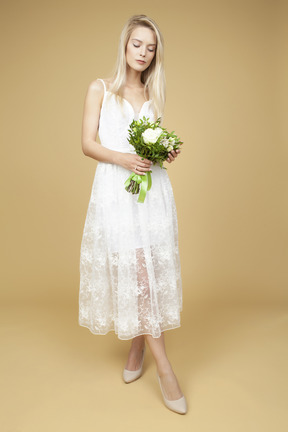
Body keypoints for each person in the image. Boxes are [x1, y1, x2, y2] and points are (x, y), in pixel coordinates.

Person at [79, 14, 187, 415]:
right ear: (125, 45)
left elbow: (150, 148)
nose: (143, 53)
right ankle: (165, 368)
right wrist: (124, 158)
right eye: (138, 44)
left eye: (151, 47)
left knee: (148, 272)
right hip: (115, 192)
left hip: (151, 194)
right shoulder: (101, 89)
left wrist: (165, 153)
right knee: (136, 270)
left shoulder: (152, 95)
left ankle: (137, 344)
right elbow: (88, 144)